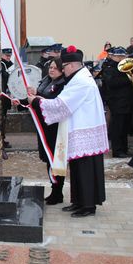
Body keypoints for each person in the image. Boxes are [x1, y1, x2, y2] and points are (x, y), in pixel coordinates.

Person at [28, 46, 108, 218]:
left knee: (85, 170)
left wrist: (36, 102)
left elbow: (61, 105)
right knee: (78, 169)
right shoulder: (79, 77)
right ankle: (79, 201)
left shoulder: (81, 81)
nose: (62, 70)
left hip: (85, 132)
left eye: (63, 66)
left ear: (71, 65)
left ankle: (88, 205)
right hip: (80, 129)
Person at [31, 57, 66, 204]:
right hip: (44, 127)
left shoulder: (62, 85)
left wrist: (36, 98)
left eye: (55, 68)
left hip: (55, 128)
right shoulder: (46, 81)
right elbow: (40, 98)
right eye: (50, 67)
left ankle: (58, 192)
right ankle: (54, 189)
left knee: (55, 160)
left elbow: (52, 102)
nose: (51, 70)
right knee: (49, 160)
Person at [102, 47, 133, 158]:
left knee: (125, 126)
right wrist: (129, 80)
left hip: (127, 100)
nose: (122, 58)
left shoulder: (127, 67)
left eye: (124, 56)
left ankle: (124, 148)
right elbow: (112, 83)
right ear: (113, 56)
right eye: (119, 56)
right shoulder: (109, 68)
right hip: (116, 101)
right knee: (118, 126)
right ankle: (117, 150)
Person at [0, 48, 14, 158]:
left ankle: (2, 140)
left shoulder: (6, 64)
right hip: (2, 96)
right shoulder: (1, 64)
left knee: (4, 118)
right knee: (2, 119)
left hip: (5, 96)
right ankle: (1, 141)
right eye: (6, 55)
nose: (8, 57)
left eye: (9, 56)